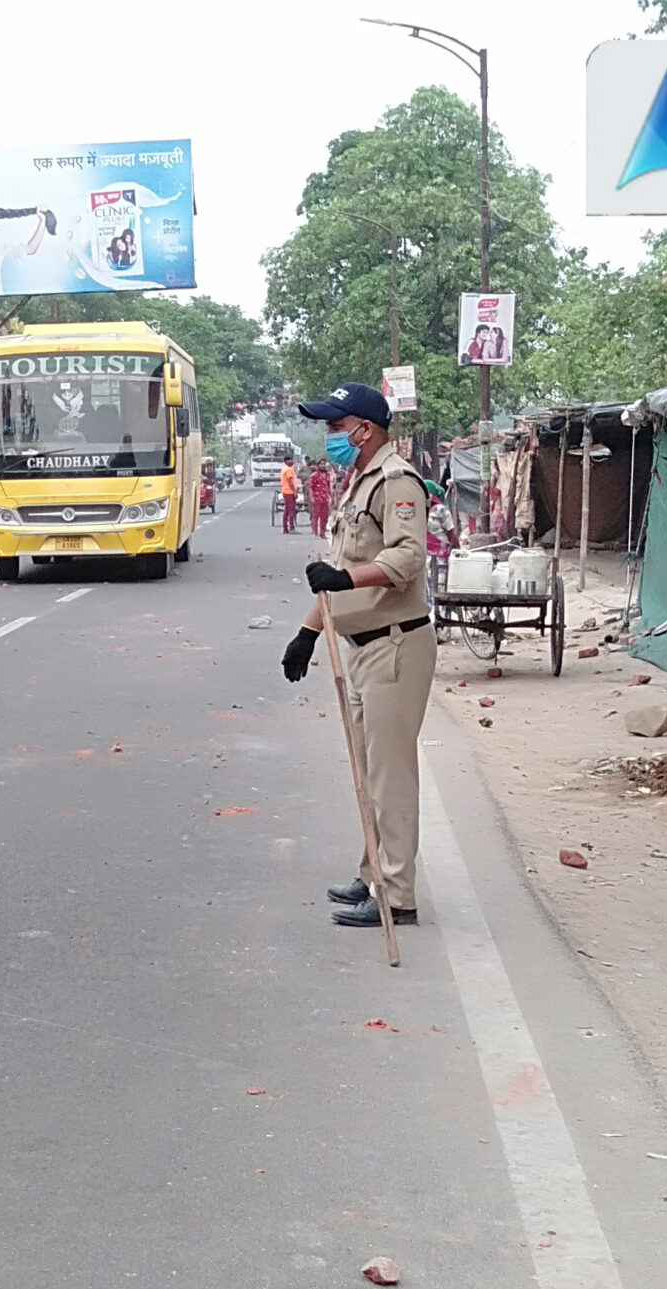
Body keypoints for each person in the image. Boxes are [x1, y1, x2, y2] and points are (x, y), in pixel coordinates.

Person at [277, 382, 433, 930]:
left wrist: (346, 577)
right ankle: (374, 875)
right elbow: (338, 573)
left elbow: (408, 558)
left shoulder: (397, 481)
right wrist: (308, 632)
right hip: (363, 646)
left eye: (336, 426)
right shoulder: (359, 483)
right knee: (368, 774)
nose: (330, 437)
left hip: (395, 645)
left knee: (390, 778)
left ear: (364, 429)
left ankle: (398, 896)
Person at [306, 460, 334, 536]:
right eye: (321, 464)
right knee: (315, 515)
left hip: (325, 498)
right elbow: (311, 487)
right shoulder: (314, 475)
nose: (323, 465)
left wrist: (332, 497)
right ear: (318, 465)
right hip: (316, 498)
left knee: (324, 516)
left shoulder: (328, 475)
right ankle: (315, 532)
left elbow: (329, 487)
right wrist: (311, 497)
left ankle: (322, 533)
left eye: (324, 464)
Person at [277, 458, 300, 534]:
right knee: (291, 511)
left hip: (285, 491)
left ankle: (285, 528)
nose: (292, 461)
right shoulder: (288, 470)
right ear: (286, 461)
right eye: (290, 460)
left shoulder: (285, 469)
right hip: (289, 492)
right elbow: (290, 482)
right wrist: (294, 492)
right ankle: (291, 528)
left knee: (286, 511)